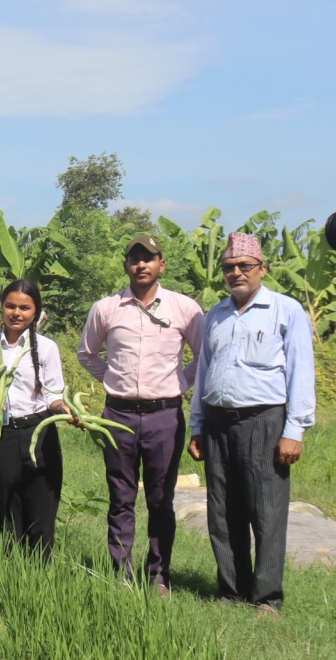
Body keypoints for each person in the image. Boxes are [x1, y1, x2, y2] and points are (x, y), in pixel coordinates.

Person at [188, 232, 317, 614]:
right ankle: (231, 591)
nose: (236, 273)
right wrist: (196, 424)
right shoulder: (216, 315)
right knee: (223, 511)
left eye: (245, 266)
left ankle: (267, 598)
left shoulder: (285, 310)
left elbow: (300, 372)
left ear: (262, 269)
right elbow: (204, 374)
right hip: (216, 422)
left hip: (264, 420)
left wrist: (294, 430)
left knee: (267, 511)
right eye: (229, 267)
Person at [76, 234, 204, 593]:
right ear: (126, 266)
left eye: (148, 258)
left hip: (165, 415)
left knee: (162, 498)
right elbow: (87, 354)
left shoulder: (184, 308)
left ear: (162, 264)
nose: (141, 264)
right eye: (134, 259)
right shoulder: (107, 308)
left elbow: (204, 354)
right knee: (121, 496)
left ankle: (159, 575)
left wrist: (181, 382)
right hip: (118, 415)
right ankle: (121, 574)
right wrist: (113, 379)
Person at [0, 280, 68, 559]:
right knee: (7, 511)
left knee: (41, 515)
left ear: (36, 311)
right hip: (3, 435)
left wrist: (66, 410)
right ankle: (11, 575)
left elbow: (54, 394)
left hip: (40, 433)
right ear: (2, 307)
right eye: (10, 306)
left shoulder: (48, 347)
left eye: (25, 308)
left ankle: (40, 577)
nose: (16, 313)